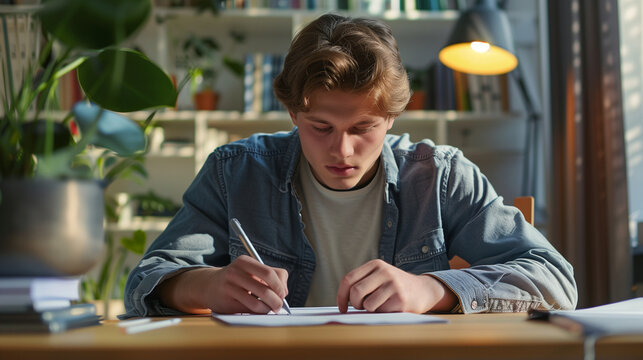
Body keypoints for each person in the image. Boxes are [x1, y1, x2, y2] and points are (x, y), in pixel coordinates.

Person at [122, 13, 577, 317]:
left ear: (392, 118)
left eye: (363, 128)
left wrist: (432, 290)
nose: (342, 151)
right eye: (320, 127)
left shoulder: (439, 176)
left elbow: (555, 280)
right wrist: (205, 285)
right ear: (292, 114)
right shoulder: (235, 171)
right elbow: (147, 278)